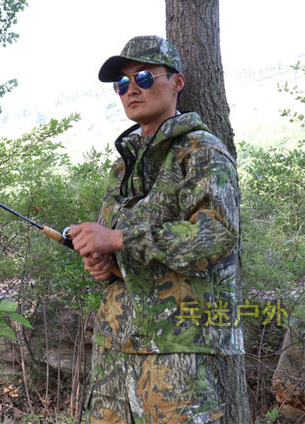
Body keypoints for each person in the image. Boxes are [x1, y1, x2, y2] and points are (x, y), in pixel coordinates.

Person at [68, 35, 242, 423]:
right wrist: (106, 264)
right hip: (114, 346)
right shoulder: (122, 166)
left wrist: (118, 239)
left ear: (177, 82)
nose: (131, 89)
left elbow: (216, 236)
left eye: (144, 77)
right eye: (122, 83)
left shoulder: (201, 152)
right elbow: (120, 252)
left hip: (176, 349)